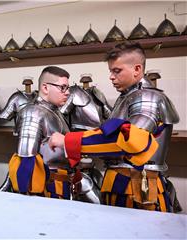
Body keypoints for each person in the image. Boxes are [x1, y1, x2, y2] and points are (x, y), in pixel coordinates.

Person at [49, 42, 180, 212]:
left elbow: (127, 141)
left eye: (117, 71)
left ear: (137, 69)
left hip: (138, 187)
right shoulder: (128, 97)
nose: (111, 76)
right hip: (125, 183)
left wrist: (68, 141)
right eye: (111, 71)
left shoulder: (147, 97)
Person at [8, 66, 100, 203]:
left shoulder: (55, 112)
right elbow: (25, 162)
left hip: (62, 185)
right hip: (47, 189)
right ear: (45, 88)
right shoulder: (33, 113)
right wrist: (27, 202)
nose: (68, 93)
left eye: (68, 88)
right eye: (63, 87)